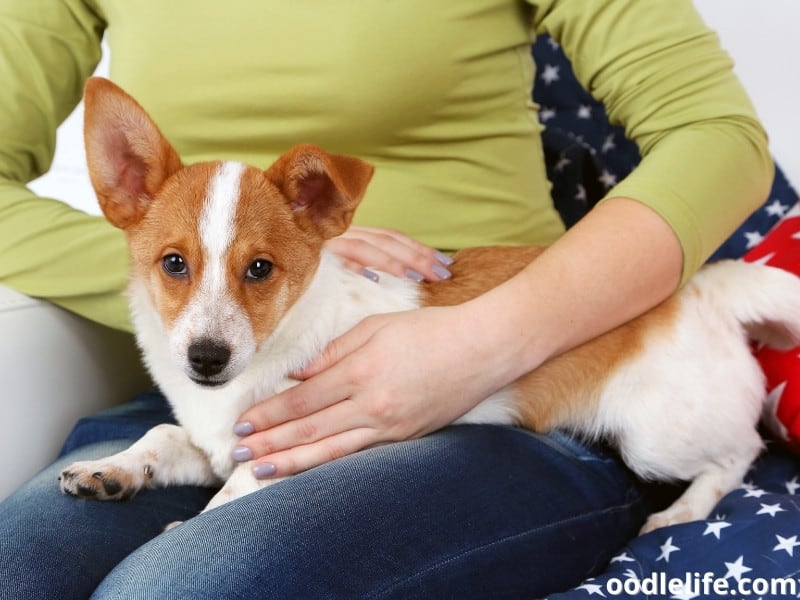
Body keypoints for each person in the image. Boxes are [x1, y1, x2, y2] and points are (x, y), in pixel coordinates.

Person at [0, 1, 773, 598]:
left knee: (185, 586)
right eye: (173, 263)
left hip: (527, 382)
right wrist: (228, 267)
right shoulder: (191, 276)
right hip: (220, 391)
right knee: (18, 570)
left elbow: (719, 136)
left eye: (264, 265)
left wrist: (484, 340)